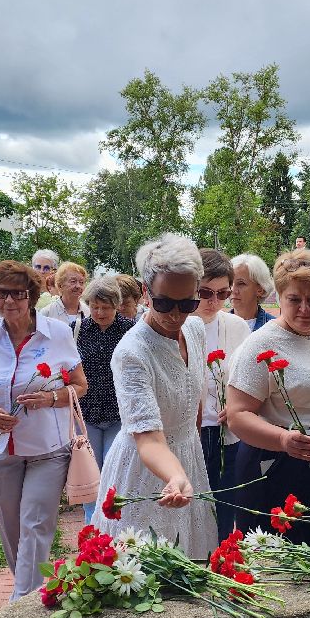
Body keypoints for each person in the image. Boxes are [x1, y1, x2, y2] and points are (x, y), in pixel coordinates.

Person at [0, 261, 87, 600]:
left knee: (35, 525)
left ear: (32, 296)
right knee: (12, 532)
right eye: (2, 293)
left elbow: (80, 386)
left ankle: (21, 604)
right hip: (0, 447)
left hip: (47, 449)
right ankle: (29, 591)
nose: (9, 301)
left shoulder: (58, 333)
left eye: (18, 294)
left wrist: (50, 398)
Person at [91, 235, 218, 556]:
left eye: (187, 303)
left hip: (189, 460)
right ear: (146, 292)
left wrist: (190, 462)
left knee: (192, 565)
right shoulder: (132, 353)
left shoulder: (195, 329)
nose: (176, 315)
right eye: (164, 303)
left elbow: (194, 403)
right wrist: (175, 475)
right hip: (145, 471)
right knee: (144, 570)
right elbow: (148, 439)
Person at [226, 250, 310, 553]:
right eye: (294, 299)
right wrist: (283, 440)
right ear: (279, 296)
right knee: (286, 552)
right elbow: (237, 415)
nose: (305, 308)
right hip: (281, 459)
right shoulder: (260, 344)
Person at [195, 249, 251, 538]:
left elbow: (247, 378)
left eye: (222, 293)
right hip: (189, 434)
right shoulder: (176, 324)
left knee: (223, 508)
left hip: (225, 432)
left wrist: (236, 406)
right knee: (192, 509)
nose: (214, 302)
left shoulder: (236, 327)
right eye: (205, 292)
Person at [75, 273, 137, 523]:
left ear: (117, 305)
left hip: (118, 413)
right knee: (91, 474)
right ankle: (92, 524)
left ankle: (113, 523)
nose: (100, 312)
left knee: (115, 471)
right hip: (87, 412)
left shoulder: (130, 330)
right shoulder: (78, 329)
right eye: (95, 306)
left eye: (106, 307)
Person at [229, 253, 276, 331]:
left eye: (241, 283)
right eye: (230, 283)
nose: (233, 290)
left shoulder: (274, 329)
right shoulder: (217, 326)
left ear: (260, 289)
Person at [44, 262, 89, 326]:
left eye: (81, 282)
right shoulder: (47, 312)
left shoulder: (88, 312)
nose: (78, 286)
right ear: (60, 285)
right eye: (73, 281)